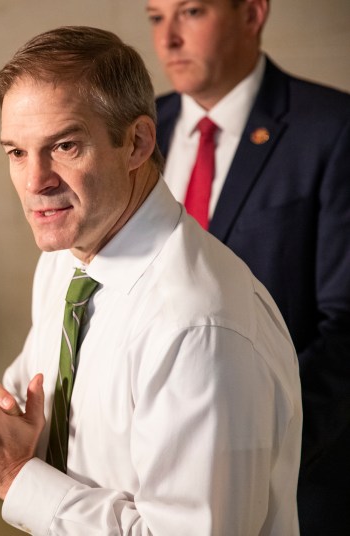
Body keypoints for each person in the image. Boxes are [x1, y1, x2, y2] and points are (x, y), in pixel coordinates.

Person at [0, 26, 302, 534]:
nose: (34, 181)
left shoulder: (199, 329)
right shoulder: (66, 259)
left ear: (137, 143)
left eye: (64, 146)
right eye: (16, 152)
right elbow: (41, 403)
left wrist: (12, 476)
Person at [145, 1, 350, 532]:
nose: (167, 39)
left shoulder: (332, 127)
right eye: (154, 16)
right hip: (153, 463)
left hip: (294, 473)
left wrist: (261, 443)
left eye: (190, 12)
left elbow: (346, 323)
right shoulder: (140, 129)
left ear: (252, 14)